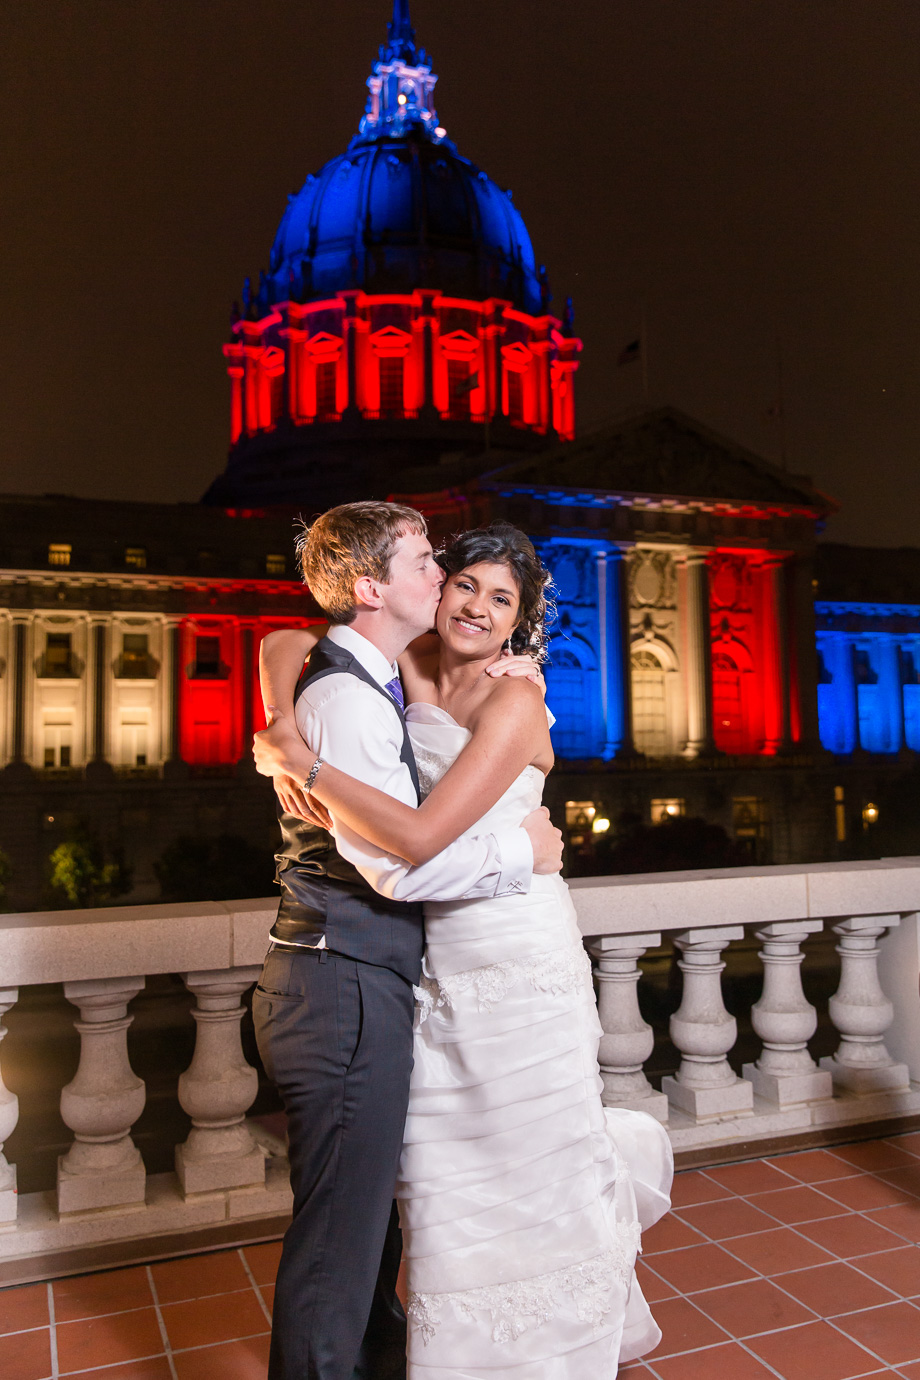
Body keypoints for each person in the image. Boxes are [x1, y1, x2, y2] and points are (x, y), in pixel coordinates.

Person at [256, 519, 673, 1377]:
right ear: (430, 591)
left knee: (529, 1149)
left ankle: (548, 1346)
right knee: (447, 1169)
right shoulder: (400, 666)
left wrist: (305, 765)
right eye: (462, 584)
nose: (477, 606)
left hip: (513, 937)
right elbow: (289, 635)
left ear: (521, 621)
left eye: (502, 599)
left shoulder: (516, 696)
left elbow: (418, 839)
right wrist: (279, 723)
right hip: (431, 952)